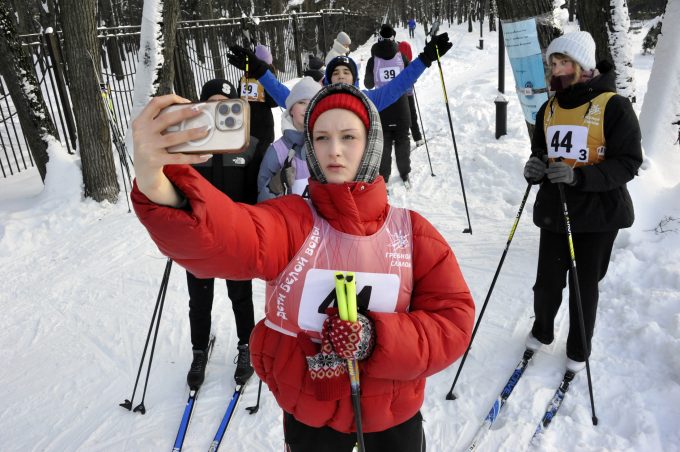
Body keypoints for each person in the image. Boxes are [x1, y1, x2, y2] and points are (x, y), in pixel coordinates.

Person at [130, 83, 475, 451]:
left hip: (392, 416)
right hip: (311, 414)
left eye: (348, 137)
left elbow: (452, 323)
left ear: (371, 143)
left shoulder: (412, 233)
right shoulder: (291, 221)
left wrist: (376, 337)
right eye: (322, 137)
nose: (334, 150)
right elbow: (227, 234)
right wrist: (156, 181)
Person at [522, 31, 642, 372]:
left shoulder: (613, 106)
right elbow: (541, 152)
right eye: (553, 63)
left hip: (597, 215)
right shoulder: (549, 108)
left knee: (583, 286)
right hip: (555, 210)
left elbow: (629, 162)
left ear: (583, 66)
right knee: (546, 283)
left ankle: (578, 348)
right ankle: (542, 330)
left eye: (565, 62)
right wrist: (535, 168)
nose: (557, 70)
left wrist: (580, 177)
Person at [184, 79, 257, 388]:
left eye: (224, 103)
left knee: (240, 296)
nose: (218, 108)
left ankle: (247, 346)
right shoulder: (191, 146)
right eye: (211, 103)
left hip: (234, 238)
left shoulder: (247, 145)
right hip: (198, 239)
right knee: (199, 300)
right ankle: (199, 351)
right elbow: (179, 189)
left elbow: (254, 195)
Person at [226, 33, 453, 114]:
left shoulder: (368, 100)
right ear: (328, 79)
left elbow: (399, 84)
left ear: (354, 79)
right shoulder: (316, 102)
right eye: (336, 73)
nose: (342, 75)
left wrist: (424, 59)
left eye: (346, 72)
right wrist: (259, 71)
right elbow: (285, 96)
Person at [257, 76, 321, 201]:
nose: (307, 108)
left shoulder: (330, 147)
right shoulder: (277, 151)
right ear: (291, 110)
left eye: (313, 103)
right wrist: (273, 187)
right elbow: (262, 201)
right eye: (301, 102)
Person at [364, 24, 412, 186]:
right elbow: (409, 79)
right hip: (401, 105)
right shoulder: (401, 57)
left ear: (379, 37)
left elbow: (369, 84)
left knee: (383, 142)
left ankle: (384, 177)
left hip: (382, 107)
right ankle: (405, 173)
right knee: (402, 140)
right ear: (393, 37)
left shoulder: (373, 60)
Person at [398, 40, 424, 148]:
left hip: (397, 94)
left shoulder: (395, 61)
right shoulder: (408, 63)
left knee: (399, 115)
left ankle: (399, 137)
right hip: (408, 93)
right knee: (412, 115)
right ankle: (417, 138)